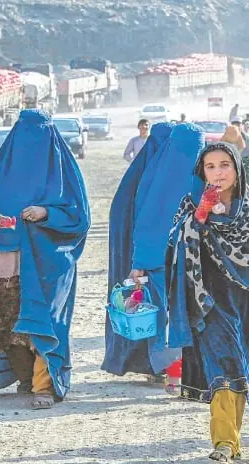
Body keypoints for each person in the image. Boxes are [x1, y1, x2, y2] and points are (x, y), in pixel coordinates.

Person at [166, 142, 249, 464]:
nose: (218, 173)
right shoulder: (191, 205)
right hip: (208, 302)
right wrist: (200, 217)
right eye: (210, 167)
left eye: (224, 165)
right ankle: (224, 443)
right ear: (202, 172)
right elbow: (173, 247)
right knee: (223, 370)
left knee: (243, 370)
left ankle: (230, 440)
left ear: (237, 169)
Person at [0, 109, 90, 409]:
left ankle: (45, 385)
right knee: (8, 326)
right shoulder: (1, 169)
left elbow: (79, 218)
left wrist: (47, 213)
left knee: (43, 321)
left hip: (45, 263)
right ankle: (25, 378)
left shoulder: (63, 172)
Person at [102, 122, 204, 378]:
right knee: (179, 316)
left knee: (165, 318)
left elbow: (145, 222)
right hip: (176, 262)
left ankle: (172, 370)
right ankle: (174, 370)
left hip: (164, 260)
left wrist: (139, 261)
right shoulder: (199, 177)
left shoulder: (157, 179)